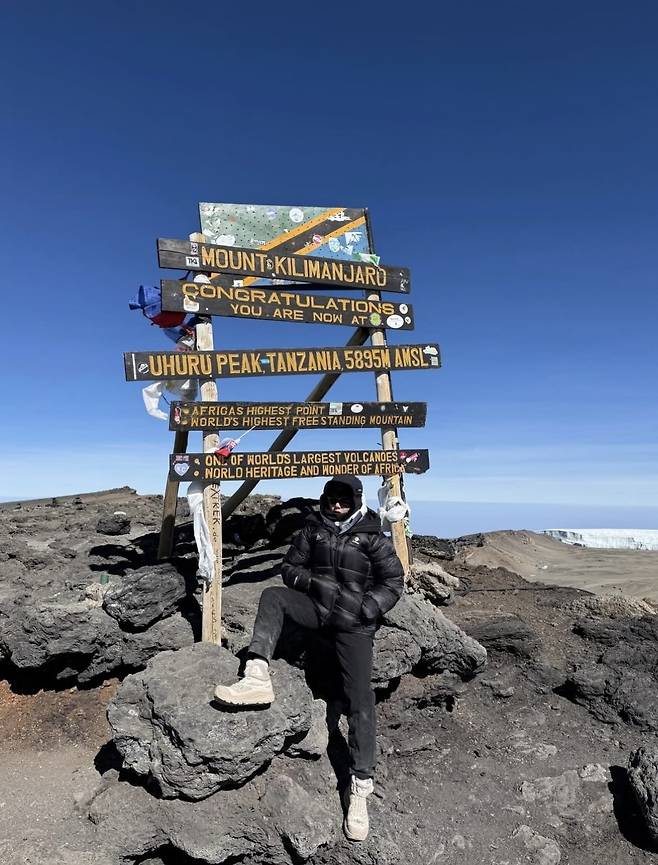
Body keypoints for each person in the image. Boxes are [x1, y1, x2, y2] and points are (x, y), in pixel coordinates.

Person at [214, 474, 405, 842]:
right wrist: (313, 584)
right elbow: (289, 568)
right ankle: (256, 675)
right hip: (317, 609)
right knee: (273, 597)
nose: (337, 505)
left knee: (360, 699)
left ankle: (360, 787)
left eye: (344, 499)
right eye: (332, 498)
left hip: (354, 624)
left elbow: (393, 581)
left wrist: (366, 608)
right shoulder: (313, 529)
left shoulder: (372, 535)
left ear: (357, 500)